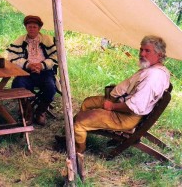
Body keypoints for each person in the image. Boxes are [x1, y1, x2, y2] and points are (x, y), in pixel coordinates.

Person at [73, 35, 170, 176]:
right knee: (88, 102)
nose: (142, 54)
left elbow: (134, 106)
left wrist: (111, 107)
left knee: (79, 122)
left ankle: (77, 150)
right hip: (122, 105)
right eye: (141, 49)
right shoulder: (152, 69)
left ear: (159, 54)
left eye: (147, 51)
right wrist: (112, 98)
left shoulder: (154, 77)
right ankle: (80, 134)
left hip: (126, 116)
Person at [6, 15, 58, 126]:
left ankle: (40, 111)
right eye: (29, 27)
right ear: (26, 28)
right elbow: (11, 58)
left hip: (44, 72)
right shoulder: (20, 40)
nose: (32, 29)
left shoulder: (47, 39)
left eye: (35, 27)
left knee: (50, 87)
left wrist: (42, 65)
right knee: (17, 84)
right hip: (26, 72)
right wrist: (28, 65)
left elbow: (55, 57)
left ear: (39, 28)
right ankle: (27, 110)